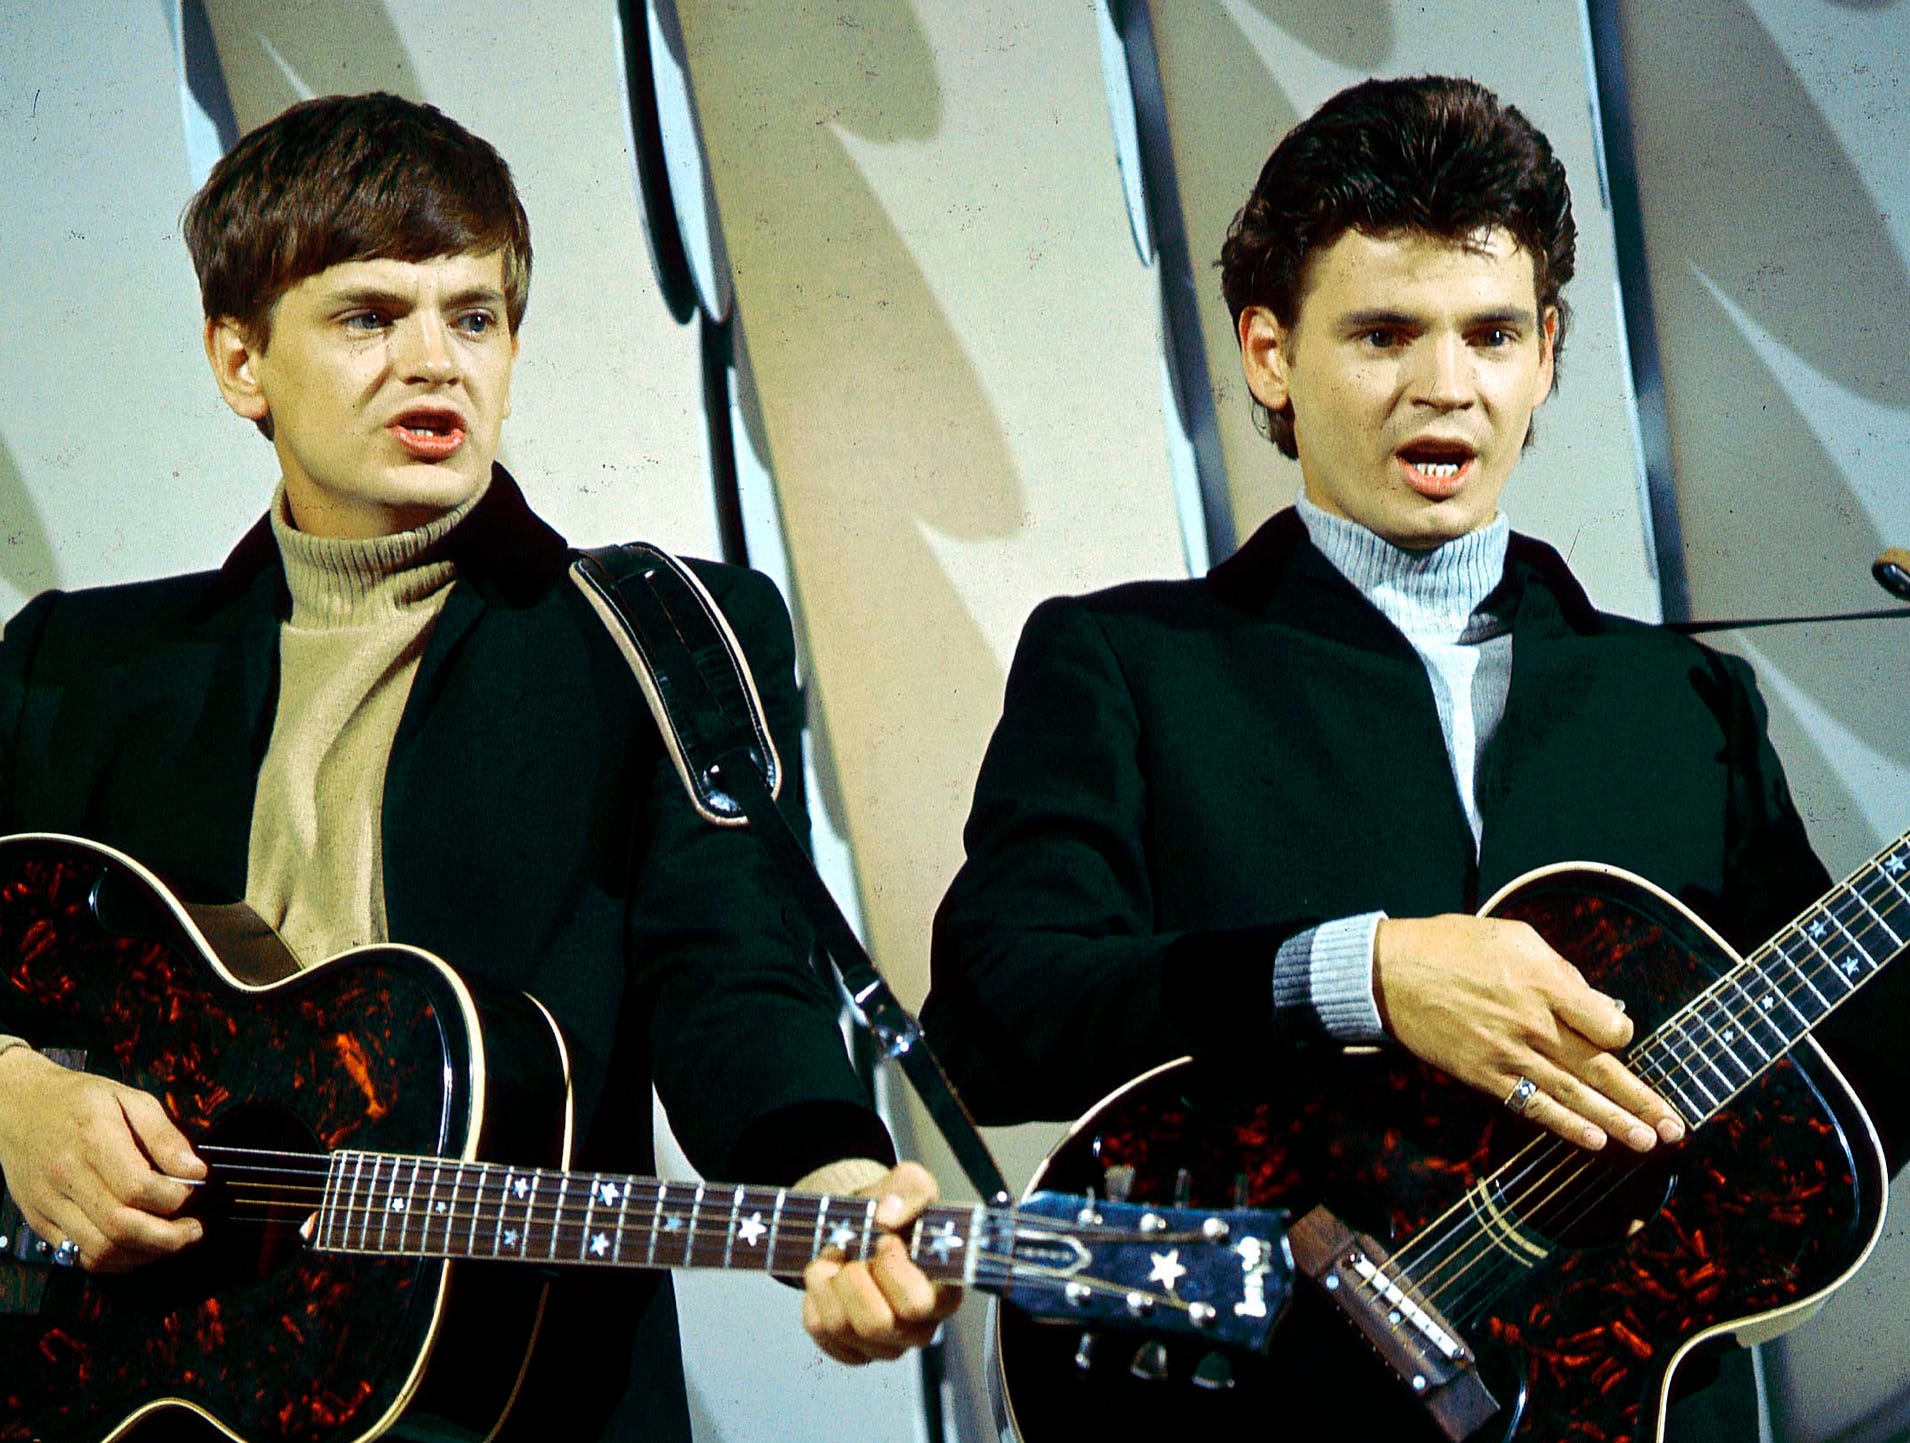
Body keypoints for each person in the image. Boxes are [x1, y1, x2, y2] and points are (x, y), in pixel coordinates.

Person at [924, 75, 1908, 1435]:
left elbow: (1845, 1093)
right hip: (1248, 1392)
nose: (1445, 390)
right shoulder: (1128, 664)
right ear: (1269, 354)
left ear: (1548, 348)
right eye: (1383, 333)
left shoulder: (1676, 697)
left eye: (1491, 333)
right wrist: (1360, 971)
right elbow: (993, 1018)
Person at [0, 92, 952, 1441]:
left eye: (474, 315)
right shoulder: (73, 672)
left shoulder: (651, 640)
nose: (435, 363)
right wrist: (14, 1095)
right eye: (368, 317)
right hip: (120, 1396)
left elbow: (730, 976)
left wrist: (830, 1173)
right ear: (238, 362)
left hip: (510, 1406)